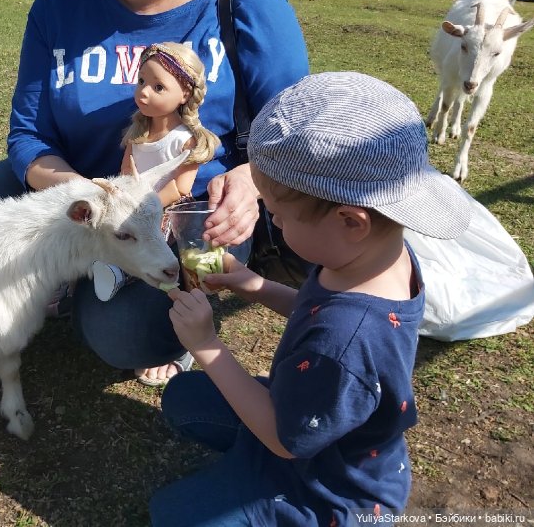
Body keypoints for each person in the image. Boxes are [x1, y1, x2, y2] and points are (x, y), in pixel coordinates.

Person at [0, 0, 309, 387]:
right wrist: (91, 200)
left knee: (123, 337)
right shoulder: (59, 4)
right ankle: (72, 274)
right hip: (75, 189)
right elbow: (29, 136)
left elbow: (294, 131)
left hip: (188, 215)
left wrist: (250, 179)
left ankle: (99, 293)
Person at [150, 72, 472, 526]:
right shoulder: (374, 258)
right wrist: (252, 283)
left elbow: (285, 440)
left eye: (279, 216)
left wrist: (205, 345)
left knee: (171, 516)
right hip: (313, 414)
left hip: (329, 488)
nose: (275, 225)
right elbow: (316, 306)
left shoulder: (344, 343)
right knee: (185, 398)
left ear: (350, 221)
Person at [91, 41, 219, 304]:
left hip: (167, 206)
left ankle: (122, 274)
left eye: (158, 87)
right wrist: (125, 197)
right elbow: (127, 170)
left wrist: (148, 206)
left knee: (150, 239)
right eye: (141, 82)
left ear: (185, 94)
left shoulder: (184, 139)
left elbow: (181, 187)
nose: (144, 92)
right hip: (135, 201)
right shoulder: (138, 133)